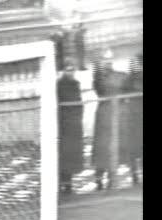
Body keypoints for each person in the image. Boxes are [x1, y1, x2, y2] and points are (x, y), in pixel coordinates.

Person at [91, 50, 128, 190]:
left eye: (109, 60)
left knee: (112, 146)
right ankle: (100, 177)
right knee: (103, 147)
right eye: (104, 60)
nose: (107, 63)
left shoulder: (119, 76)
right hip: (104, 116)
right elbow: (98, 87)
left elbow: (125, 93)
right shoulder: (100, 78)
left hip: (113, 115)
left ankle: (110, 176)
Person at [57, 63, 84, 194]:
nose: (71, 73)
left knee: (72, 154)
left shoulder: (76, 84)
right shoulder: (59, 84)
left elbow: (79, 102)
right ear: (63, 71)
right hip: (63, 124)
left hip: (74, 124)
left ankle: (69, 182)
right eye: (68, 70)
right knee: (63, 153)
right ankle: (62, 180)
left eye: (72, 70)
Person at [119, 53, 143, 185]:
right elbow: (122, 96)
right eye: (132, 64)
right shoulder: (128, 80)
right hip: (132, 117)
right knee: (133, 147)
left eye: (137, 63)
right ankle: (134, 173)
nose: (135, 66)